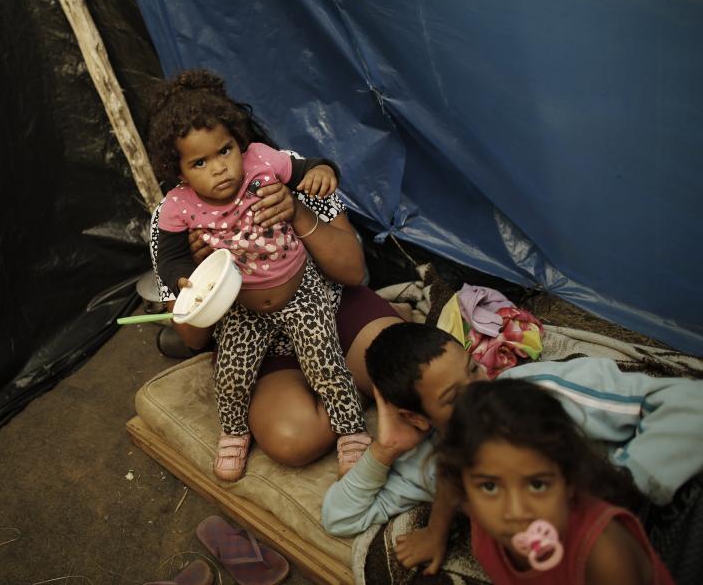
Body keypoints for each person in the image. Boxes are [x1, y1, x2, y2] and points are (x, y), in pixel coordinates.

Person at [145, 69, 407, 479]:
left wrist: (299, 208)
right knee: (289, 436)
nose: (219, 169)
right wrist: (196, 274)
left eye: (225, 151)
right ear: (179, 172)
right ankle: (266, 417)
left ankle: (346, 401)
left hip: (315, 301)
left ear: (240, 141)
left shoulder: (270, 169)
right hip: (251, 323)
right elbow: (193, 337)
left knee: (407, 372)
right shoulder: (175, 214)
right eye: (200, 162)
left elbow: (354, 272)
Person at [321, 322, 703, 579]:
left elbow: (690, 401)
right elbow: (340, 517)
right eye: (454, 397)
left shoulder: (542, 393)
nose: (482, 392)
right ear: (417, 418)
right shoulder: (432, 463)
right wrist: (385, 451)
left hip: (660, 504)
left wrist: (628, 481)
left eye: (473, 370)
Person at [436, 378, 674, 584]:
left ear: (569, 480)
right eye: (490, 487)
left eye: (537, 485)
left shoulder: (604, 555)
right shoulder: (472, 502)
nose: (516, 512)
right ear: (464, 489)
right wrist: (435, 532)